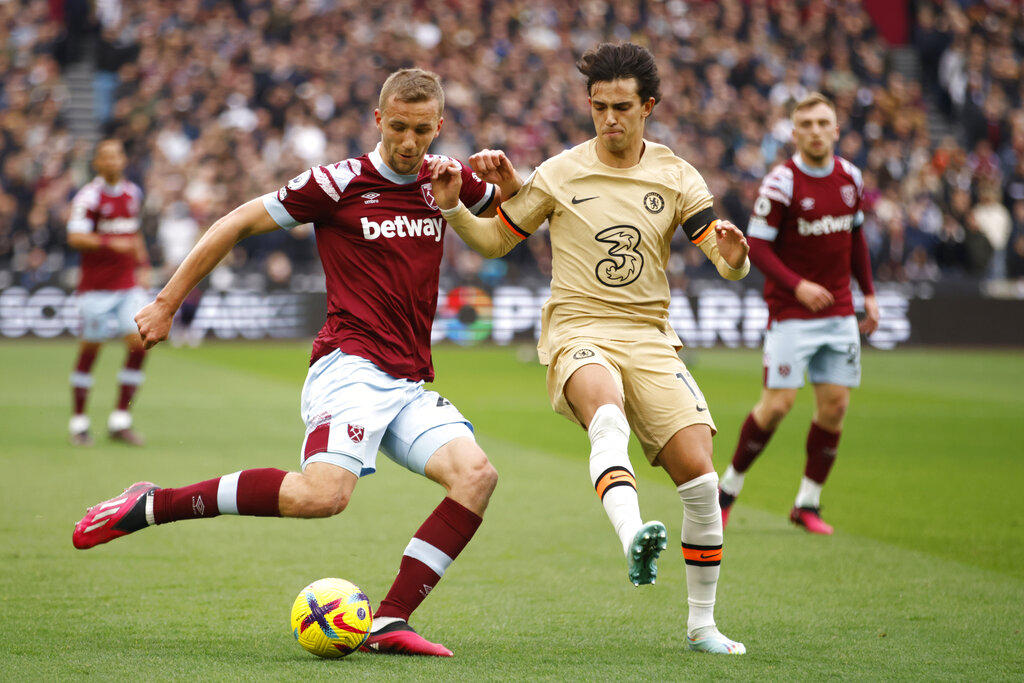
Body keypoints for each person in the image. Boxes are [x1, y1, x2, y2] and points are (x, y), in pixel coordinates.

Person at [72, 69, 512, 657]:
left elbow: (514, 211)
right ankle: (152, 503)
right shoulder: (336, 183)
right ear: (378, 120)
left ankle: (389, 621)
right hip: (350, 365)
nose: (410, 143)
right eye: (399, 128)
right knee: (323, 497)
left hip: (407, 378)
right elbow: (236, 222)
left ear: (440, 127)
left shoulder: (445, 179)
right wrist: (165, 302)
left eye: (423, 131)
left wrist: (508, 178)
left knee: (477, 477)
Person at [430, 42, 749, 655]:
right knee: (604, 412)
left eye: (622, 107)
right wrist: (454, 212)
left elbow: (723, 258)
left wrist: (735, 260)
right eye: (599, 106)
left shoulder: (678, 175)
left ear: (648, 107)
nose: (609, 118)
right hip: (578, 328)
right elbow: (499, 239)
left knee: (703, 482)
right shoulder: (560, 171)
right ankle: (632, 535)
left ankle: (702, 625)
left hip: (651, 337)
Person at [718, 93, 880, 535]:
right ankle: (727, 490)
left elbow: (857, 238)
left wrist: (869, 294)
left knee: (835, 407)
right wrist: (798, 285)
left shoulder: (850, 177)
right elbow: (759, 248)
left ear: (836, 130)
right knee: (777, 406)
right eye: (805, 123)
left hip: (840, 310)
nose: (814, 130)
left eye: (822, 122)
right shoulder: (781, 183)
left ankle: (807, 503)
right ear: (794, 132)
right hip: (791, 311)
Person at [66, 138, 150, 446]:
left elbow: (134, 231)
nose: (113, 161)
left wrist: (143, 264)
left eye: (118, 155)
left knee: (139, 345)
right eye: (107, 157)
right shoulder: (88, 197)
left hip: (127, 285)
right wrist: (108, 243)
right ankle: (79, 422)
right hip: (96, 289)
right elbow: (74, 236)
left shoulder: (132, 193)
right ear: (97, 163)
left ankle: (120, 420)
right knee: (91, 351)